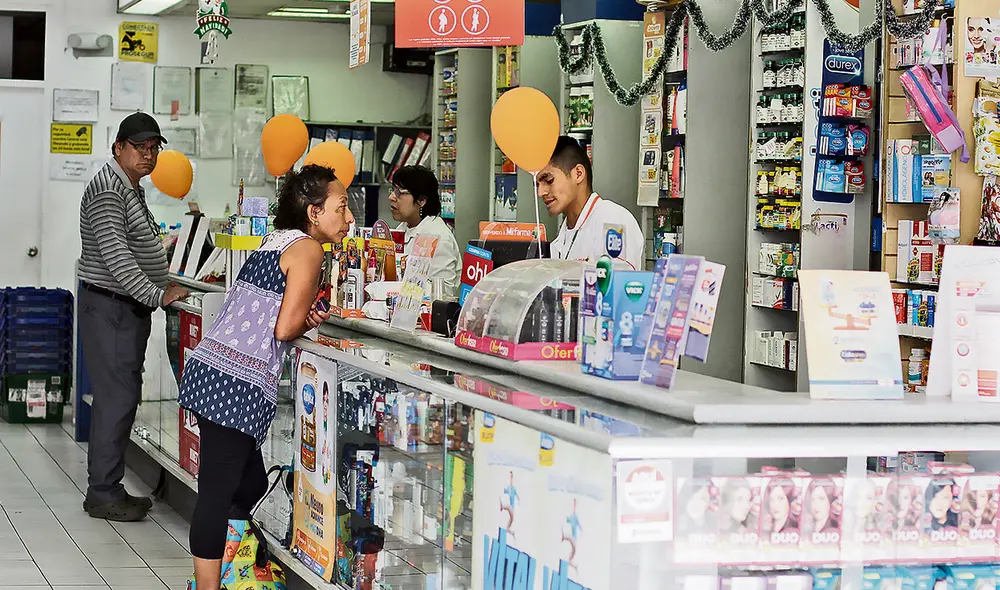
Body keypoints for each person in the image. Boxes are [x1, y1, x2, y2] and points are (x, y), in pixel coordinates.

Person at [178, 165, 351, 589]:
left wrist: (300, 321)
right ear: (314, 213)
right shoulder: (310, 249)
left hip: (213, 373)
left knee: (252, 480)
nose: (349, 219)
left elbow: (276, 314)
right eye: (342, 207)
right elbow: (283, 330)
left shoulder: (277, 240)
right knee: (216, 495)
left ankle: (235, 566)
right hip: (234, 384)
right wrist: (305, 324)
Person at [78, 112, 189, 522]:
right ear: (118, 148)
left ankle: (108, 487)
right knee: (116, 400)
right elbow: (119, 261)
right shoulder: (109, 190)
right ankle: (103, 493)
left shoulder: (129, 187)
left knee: (120, 397)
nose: (148, 154)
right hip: (111, 308)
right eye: (139, 146)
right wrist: (158, 295)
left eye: (153, 147)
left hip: (121, 309)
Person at [537, 136, 644, 269]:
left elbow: (619, 285)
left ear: (578, 174)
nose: (541, 192)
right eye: (537, 184)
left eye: (549, 180)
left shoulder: (613, 220)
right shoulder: (560, 239)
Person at [389, 165, 461, 298]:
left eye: (399, 192)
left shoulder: (438, 237)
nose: (391, 197)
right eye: (392, 190)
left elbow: (442, 295)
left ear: (421, 200)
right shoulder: (402, 228)